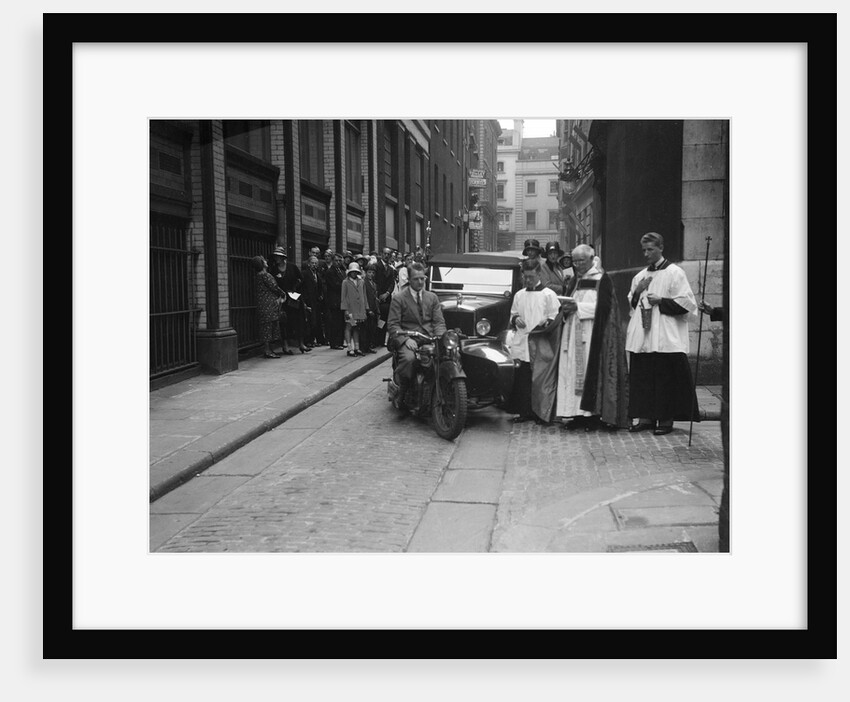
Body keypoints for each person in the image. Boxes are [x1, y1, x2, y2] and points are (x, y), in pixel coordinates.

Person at [625, 231, 700, 435]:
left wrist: (662, 301)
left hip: (666, 334)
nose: (646, 254)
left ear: (661, 248)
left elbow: (687, 303)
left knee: (666, 378)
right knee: (644, 377)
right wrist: (638, 291)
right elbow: (632, 304)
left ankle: (666, 420)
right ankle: (646, 418)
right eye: (644, 250)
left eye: (650, 249)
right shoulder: (640, 276)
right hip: (644, 334)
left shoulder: (675, 273)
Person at [556, 245, 630, 431]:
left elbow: (606, 308)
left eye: (581, 260)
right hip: (572, 333)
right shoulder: (574, 280)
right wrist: (565, 309)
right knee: (571, 373)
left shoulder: (601, 279)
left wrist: (579, 308)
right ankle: (575, 414)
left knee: (589, 373)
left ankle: (592, 416)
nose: (577, 264)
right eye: (574, 261)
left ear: (591, 259)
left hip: (591, 333)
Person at [504, 258, 562, 425]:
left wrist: (547, 322)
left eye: (531, 276)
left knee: (540, 379)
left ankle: (541, 413)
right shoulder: (519, 295)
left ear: (538, 274)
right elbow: (513, 313)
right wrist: (515, 320)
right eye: (525, 277)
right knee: (523, 378)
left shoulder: (548, 295)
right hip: (522, 340)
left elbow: (555, 316)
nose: (528, 280)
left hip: (540, 341)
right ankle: (524, 411)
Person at [386, 262, 447, 406]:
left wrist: (439, 337)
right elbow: (393, 325)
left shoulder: (432, 297)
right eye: (416, 279)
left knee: (447, 356)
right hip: (409, 338)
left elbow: (439, 322)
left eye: (422, 278)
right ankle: (402, 391)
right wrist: (405, 340)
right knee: (409, 359)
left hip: (429, 338)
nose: (420, 282)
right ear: (409, 279)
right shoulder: (399, 298)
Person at [270, 246, 311, 354]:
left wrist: (295, 288)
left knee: (299, 320)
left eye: (279, 256)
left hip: (294, 297)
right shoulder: (274, 269)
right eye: (276, 256)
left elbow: (301, 279)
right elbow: (273, 284)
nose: (277, 259)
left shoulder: (292, 267)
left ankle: (301, 344)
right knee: (284, 322)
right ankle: (285, 345)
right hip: (283, 299)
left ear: (283, 257)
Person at [251, 255, 284, 358]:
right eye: (263, 260)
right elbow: (274, 287)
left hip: (263, 304)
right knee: (269, 327)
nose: (266, 261)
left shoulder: (258, 275)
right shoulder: (266, 275)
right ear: (261, 264)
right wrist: (283, 294)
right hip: (269, 305)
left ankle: (268, 350)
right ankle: (268, 351)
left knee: (266, 327)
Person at [340, 261, 368, 356]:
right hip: (350, 309)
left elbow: (364, 296)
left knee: (356, 328)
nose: (354, 273)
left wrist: (366, 308)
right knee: (349, 327)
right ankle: (349, 348)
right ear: (349, 272)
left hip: (359, 309)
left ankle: (357, 347)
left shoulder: (361, 281)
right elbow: (343, 297)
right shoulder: (345, 282)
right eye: (352, 271)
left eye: (356, 271)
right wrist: (345, 310)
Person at [323, 251, 347, 350]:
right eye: (336, 260)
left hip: (341, 300)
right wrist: (345, 285)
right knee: (335, 322)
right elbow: (335, 285)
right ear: (333, 261)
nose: (338, 262)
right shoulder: (330, 272)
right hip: (334, 300)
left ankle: (340, 341)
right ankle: (334, 343)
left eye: (340, 261)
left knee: (341, 322)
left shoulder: (341, 271)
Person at [301, 254, 324, 347]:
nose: (314, 265)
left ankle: (313, 339)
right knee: (309, 322)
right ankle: (308, 341)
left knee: (315, 321)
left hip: (316, 301)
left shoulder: (317, 274)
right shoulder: (305, 273)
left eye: (316, 263)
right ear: (308, 264)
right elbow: (302, 287)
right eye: (312, 263)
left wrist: (320, 295)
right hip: (308, 300)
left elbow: (319, 287)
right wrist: (305, 301)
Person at [363, 263, 380, 353]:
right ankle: (364, 347)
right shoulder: (364, 282)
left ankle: (369, 345)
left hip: (373, 307)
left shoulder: (374, 284)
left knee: (372, 328)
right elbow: (364, 296)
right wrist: (368, 309)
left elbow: (375, 296)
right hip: (367, 308)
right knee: (366, 328)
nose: (371, 274)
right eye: (369, 272)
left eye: (373, 273)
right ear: (366, 273)